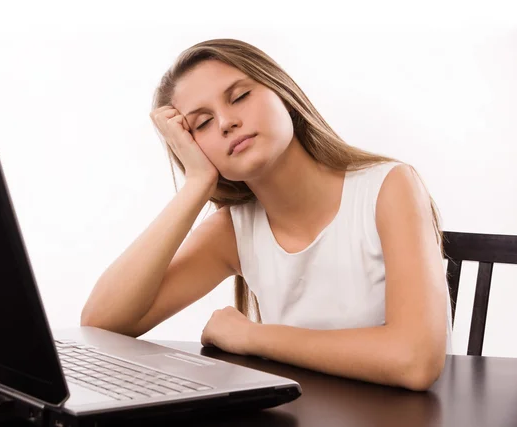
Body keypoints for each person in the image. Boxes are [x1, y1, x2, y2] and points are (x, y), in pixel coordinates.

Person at [81, 38, 453, 391]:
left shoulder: (388, 186)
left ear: (284, 96)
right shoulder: (234, 230)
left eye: (240, 96)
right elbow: (103, 323)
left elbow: (414, 361)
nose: (226, 122)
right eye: (203, 123)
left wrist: (251, 336)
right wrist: (197, 183)